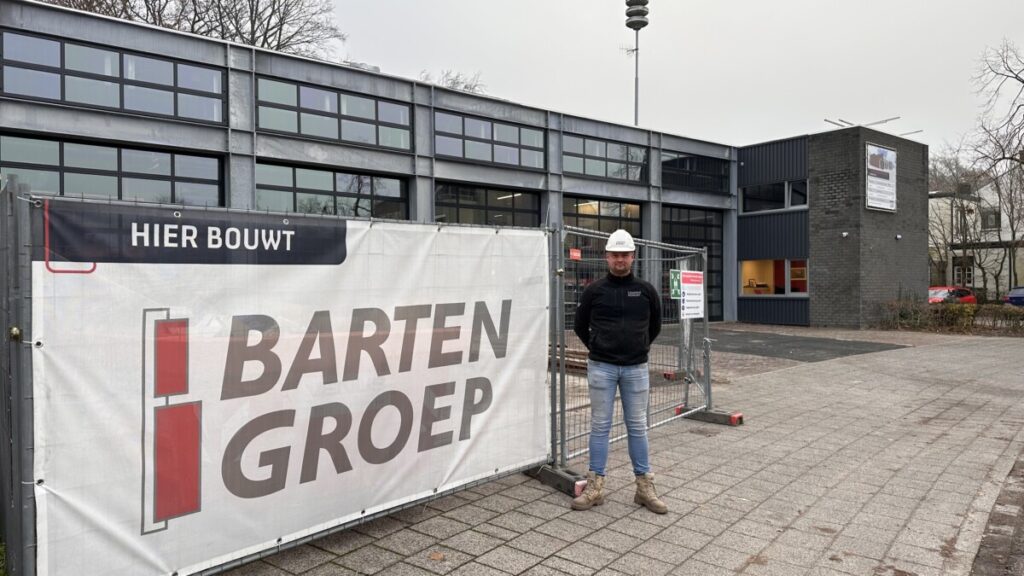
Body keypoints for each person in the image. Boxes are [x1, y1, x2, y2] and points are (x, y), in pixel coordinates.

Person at [570, 229, 667, 514]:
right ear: (607, 257)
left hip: (636, 368)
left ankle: (644, 487)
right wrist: (599, 348)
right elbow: (579, 325)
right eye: (615, 255)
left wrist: (638, 347)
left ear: (633, 257)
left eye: (625, 255)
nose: (620, 260)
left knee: (637, 426)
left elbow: (655, 326)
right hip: (602, 367)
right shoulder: (594, 291)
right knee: (600, 426)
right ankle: (596, 486)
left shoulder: (646, 291)